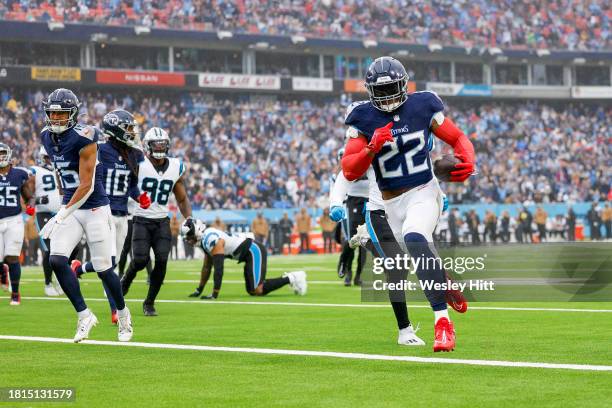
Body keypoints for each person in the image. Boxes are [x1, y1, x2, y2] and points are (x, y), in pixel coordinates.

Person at [341, 57, 475, 351]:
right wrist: (371, 147)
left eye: (392, 88)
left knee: (416, 238)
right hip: (390, 206)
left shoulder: (423, 105)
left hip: (423, 192)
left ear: (403, 85)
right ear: (370, 91)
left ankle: (443, 324)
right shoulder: (361, 117)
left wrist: (468, 157)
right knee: (413, 258)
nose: (387, 96)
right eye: (381, 90)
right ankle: (441, 278)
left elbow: (458, 137)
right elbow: (349, 169)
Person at [39, 88, 132, 342]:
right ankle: (84, 315)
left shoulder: (86, 136)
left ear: (73, 114)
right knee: (57, 260)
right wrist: (63, 206)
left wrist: (59, 215)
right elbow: (60, 172)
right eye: (52, 113)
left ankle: (123, 314)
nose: (56, 118)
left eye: (61, 114)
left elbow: (87, 185)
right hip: (71, 207)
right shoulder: (46, 136)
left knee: (104, 269)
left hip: (94, 208)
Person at [72, 109, 149, 324]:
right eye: (128, 129)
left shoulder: (134, 154)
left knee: (110, 262)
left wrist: (140, 196)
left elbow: (131, 186)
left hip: (123, 215)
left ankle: (80, 267)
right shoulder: (99, 150)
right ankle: (115, 309)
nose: (132, 133)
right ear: (115, 130)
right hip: (103, 211)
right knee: (111, 262)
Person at [120, 127, 192, 316]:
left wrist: (189, 218)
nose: (160, 147)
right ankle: (125, 281)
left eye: (162, 144)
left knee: (161, 260)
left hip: (161, 221)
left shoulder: (176, 166)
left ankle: (149, 302)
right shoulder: (139, 163)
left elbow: (182, 198)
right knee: (140, 260)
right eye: (156, 144)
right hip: (141, 219)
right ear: (147, 146)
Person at [182, 220, 307, 298]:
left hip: (253, 250)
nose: (188, 240)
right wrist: (199, 290)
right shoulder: (206, 240)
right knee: (252, 291)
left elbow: (219, 268)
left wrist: (215, 293)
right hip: (246, 254)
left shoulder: (210, 239)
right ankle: (290, 279)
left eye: (189, 236)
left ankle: (293, 278)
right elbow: (207, 267)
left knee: (258, 290)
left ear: (198, 231)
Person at [0, 143, 35, 305]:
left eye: (2, 153)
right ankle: (3, 273)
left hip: (14, 219)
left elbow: (28, 194)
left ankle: (15, 293)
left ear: (8, 155)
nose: (0, 157)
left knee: (12, 257)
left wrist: (30, 205)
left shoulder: (19, 174)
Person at [29, 146, 63, 296]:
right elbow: (24, 194)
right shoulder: (34, 171)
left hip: (61, 214)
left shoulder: (62, 168)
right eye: (48, 157)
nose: (51, 160)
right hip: (44, 214)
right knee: (49, 250)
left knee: (65, 249)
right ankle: (48, 283)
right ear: (42, 158)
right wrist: (37, 199)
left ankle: (60, 279)